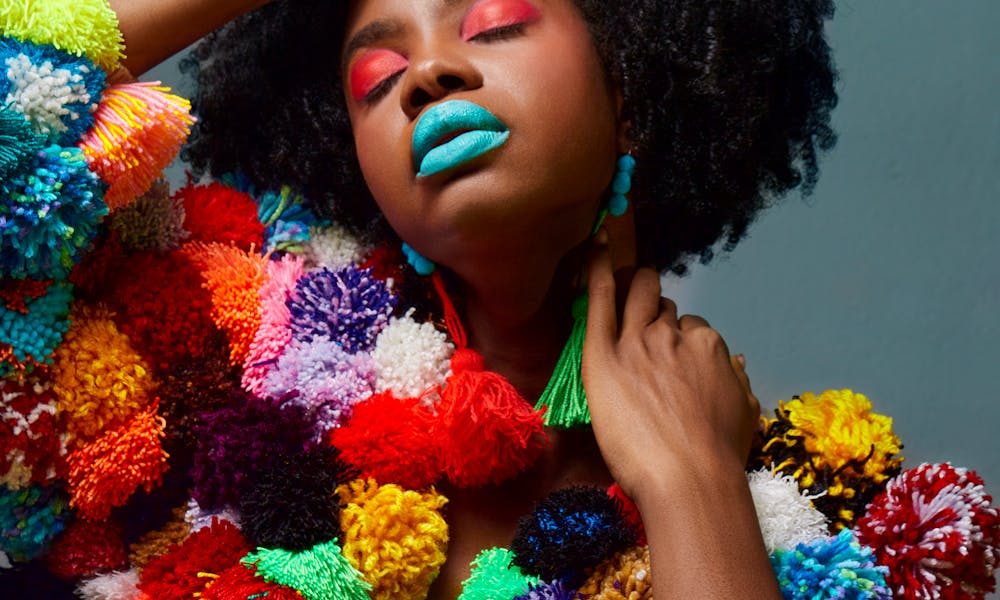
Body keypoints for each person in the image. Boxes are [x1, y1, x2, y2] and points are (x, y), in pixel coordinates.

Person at [110, 0, 837, 597]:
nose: (427, 72)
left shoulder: (830, 511)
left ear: (630, 94)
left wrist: (694, 485)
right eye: (378, 77)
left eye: (492, 24)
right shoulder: (228, 398)